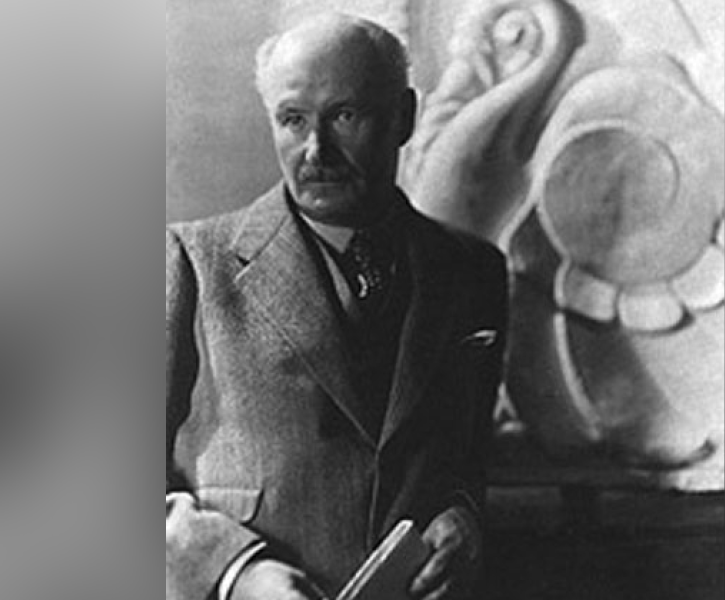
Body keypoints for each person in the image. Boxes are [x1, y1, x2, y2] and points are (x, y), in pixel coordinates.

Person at [165, 12, 508, 600]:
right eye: (293, 121)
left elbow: (463, 463)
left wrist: (463, 520)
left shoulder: (472, 272)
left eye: (346, 116)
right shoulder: (189, 261)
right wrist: (235, 572)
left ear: (404, 116)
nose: (315, 149)